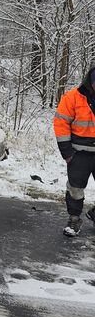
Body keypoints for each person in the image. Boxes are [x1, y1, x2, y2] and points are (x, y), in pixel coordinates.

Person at [54, 68, 95, 236]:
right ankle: (74, 219)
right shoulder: (73, 97)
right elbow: (61, 123)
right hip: (79, 153)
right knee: (75, 188)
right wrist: (67, 153)